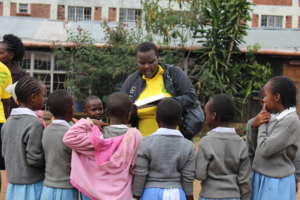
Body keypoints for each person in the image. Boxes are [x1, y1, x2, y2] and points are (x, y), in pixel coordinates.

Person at [63, 92, 142, 200]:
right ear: (129, 114)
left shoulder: (95, 136)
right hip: (122, 195)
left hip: (92, 193)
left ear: (107, 113)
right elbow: (136, 167)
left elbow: (68, 138)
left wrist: (88, 122)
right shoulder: (135, 136)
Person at [121, 42, 197, 136]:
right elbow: (121, 109)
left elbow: (191, 97)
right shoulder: (131, 81)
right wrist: (131, 111)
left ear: (158, 58)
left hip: (173, 139)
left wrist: (170, 102)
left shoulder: (173, 74)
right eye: (142, 63)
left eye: (151, 62)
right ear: (136, 61)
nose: (147, 66)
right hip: (143, 142)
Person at [133, 98, 195, 200]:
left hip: (150, 194)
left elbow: (141, 173)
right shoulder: (188, 146)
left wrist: (136, 195)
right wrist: (189, 196)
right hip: (177, 194)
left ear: (157, 120)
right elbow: (188, 176)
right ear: (180, 121)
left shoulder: (146, 143)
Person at [250, 76, 300, 200]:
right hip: (261, 177)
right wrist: (254, 126)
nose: (263, 100)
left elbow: (265, 149)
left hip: (276, 181)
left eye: (265, 96)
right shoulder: (275, 117)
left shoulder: (291, 121)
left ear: (277, 97)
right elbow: (253, 146)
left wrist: (261, 124)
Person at [196, 94, 251, 200]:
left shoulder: (206, 142)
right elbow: (244, 180)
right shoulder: (241, 143)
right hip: (233, 196)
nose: (205, 117)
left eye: (206, 113)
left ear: (213, 115)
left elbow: (200, 174)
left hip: (209, 195)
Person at [1, 76, 45, 200]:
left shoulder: (7, 123)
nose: (44, 99)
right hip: (31, 186)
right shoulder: (34, 124)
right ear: (33, 97)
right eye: (42, 95)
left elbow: (5, 153)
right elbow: (34, 158)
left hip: (13, 185)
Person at [40, 90, 78, 200]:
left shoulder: (46, 131)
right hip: (67, 189)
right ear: (70, 110)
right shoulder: (71, 133)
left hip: (47, 188)